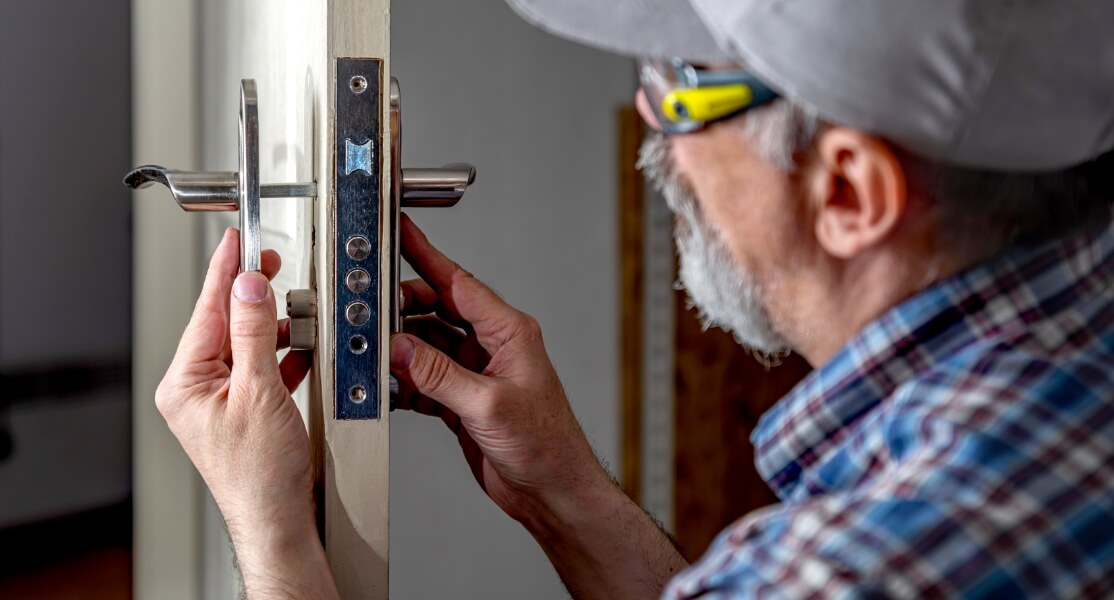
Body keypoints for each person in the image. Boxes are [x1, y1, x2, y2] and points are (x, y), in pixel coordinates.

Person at [152, 0, 1114, 597]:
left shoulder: (861, 568)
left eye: (686, 85)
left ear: (849, 192)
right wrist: (563, 492)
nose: (655, 131)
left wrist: (272, 533)